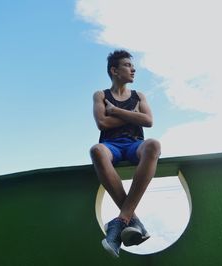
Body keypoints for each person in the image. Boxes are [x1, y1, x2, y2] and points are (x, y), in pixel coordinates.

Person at [90, 50, 161, 258]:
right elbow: (102, 123)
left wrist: (117, 111)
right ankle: (131, 219)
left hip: (134, 144)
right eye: (128, 65)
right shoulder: (101, 95)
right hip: (110, 146)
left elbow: (148, 121)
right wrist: (134, 115)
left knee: (153, 145)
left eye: (132, 65)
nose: (133, 69)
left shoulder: (139, 95)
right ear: (114, 70)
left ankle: (119, 222)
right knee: (96, 150)